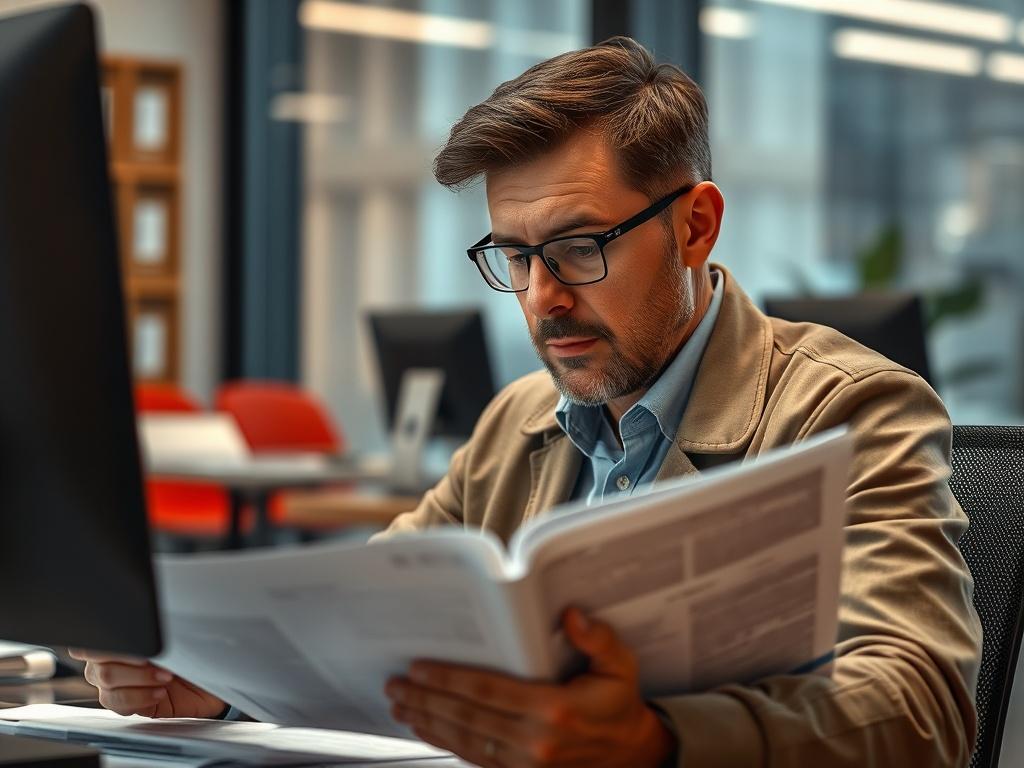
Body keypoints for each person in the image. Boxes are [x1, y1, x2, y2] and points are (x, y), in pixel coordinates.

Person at [73, 37, 981, 768]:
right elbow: (361, 620)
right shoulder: (518, 421)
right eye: (514, 255)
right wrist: (217, 680)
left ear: (695, 226)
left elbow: (921, 708)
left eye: (581, 246)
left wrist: (656, 744)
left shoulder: (853, 410)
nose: (542, 297)